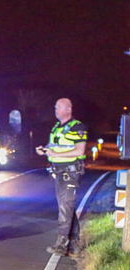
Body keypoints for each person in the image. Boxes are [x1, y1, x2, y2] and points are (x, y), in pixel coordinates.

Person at [36, 98, 87, 256]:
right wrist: (44, 150)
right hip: (58, 171)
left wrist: (56, 153)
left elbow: (80, 151)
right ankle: (75, 242)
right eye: (55, 107)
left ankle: (62, 243)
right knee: (66, 207)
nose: (55, 110)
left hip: (69, 172)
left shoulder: (77, 127)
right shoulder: (57, 127)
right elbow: (55, 145)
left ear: (68, 109)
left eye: (58, 107)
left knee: (65, 207)